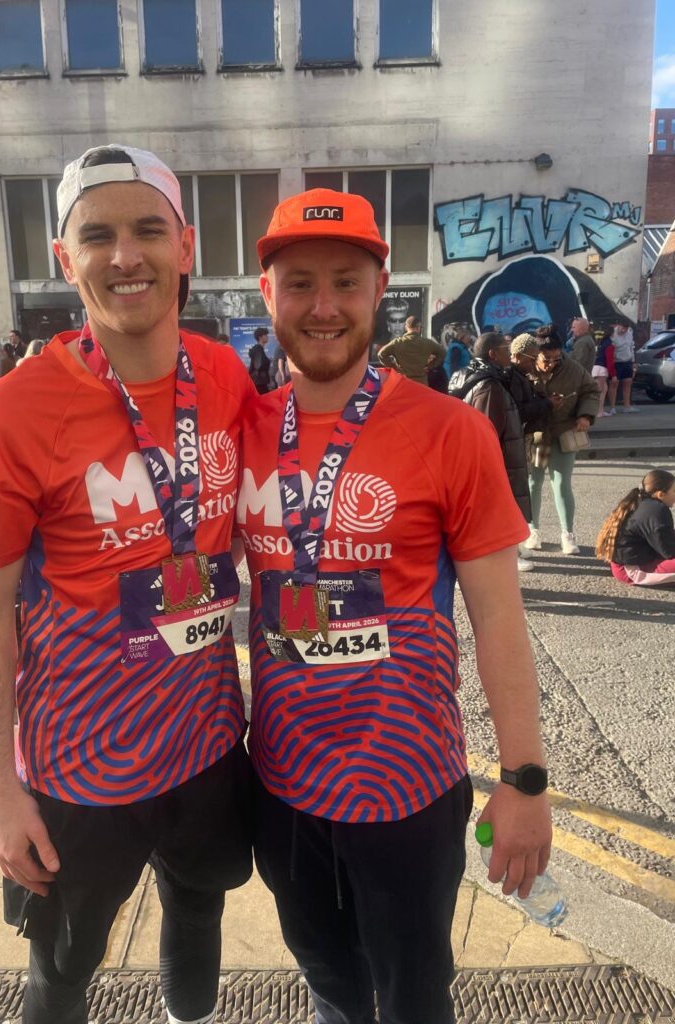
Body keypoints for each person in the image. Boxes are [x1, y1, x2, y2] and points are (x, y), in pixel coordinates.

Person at [0, 144, 254, 1024]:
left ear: (186, 246)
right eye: (99, 235)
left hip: (203, 743)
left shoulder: (225, 376)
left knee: (201, 908)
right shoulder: (9, 409)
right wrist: (0, 792)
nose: (126, 256)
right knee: (64, 964)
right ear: (64, 258)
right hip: (79, 771)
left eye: (148, 230)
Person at [237, 187, 552, 1024]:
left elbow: (498, 619)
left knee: (413, 996)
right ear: (267, 295)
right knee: (328, 982)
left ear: (380, 291)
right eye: (299, 283)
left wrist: (524, 780)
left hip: (406, 786)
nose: (324, 305)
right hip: (282, 784)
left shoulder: (453, 430)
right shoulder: (238, 434)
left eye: (346, 280)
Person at [452, 333, 533, 572]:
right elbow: (489, 432)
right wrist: (492, 468)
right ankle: (504, 558)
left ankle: (506, 554)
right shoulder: (488, 385)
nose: (510, 356)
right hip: (494, 462)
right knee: (495, 513)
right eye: (506, 351)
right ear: (492, 354)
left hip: (479, 460)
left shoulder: (472, 376)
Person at [523, 335, 599, 555]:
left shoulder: (573, 369)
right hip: (537, 435)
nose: (552, 363)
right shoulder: (525, 369)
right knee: (533, 483)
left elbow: (591, 390)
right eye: (546, 358)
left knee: (562, 484)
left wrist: (585, 415)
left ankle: (568, 533)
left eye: (557, 358)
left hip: (564, 433)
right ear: (535, 353)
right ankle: (532, 530)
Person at [596, 470, 675, 586]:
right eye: (674, 491)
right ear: (660, 494)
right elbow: (669, 551)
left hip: (628, 563)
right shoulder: (657, 511)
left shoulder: (641, 500)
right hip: (632, 570)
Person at [377, 314, 446, 387]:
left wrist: (395, 367)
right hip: (421, 384)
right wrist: (430, 366)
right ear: (419, 327)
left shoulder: (397, 342)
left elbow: (381, 354)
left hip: (403, 382)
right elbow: (442, 353)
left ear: (406, 327)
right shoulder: (427, 343)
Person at [608, 322, 638, 413]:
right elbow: (610, 349)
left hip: (627, 361)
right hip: (616, 362)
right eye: (622, 327)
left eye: (626, 328)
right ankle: (612, 407)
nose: (624, 330)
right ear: (618, 325)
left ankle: (627, 406)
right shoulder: (613, 334)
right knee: (614, 383)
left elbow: (631, 347)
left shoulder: (629, 332)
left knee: (628, 382)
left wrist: (633, 361)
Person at [592, 327, 616, 417]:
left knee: (603, 389)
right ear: (612, 334)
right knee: (601, 391)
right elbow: (610, 361)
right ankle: (599, 411)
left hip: (595, 367)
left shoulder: (600, 343)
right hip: (601, 369)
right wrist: (613, 375)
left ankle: (600, 410)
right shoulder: (609, 345)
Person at [247, 326, 272, 393]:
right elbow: (258, 365)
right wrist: (268, 361)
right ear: (260, 337)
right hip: (259, 382)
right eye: (265, 335)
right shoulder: (258, 349)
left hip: (259, 381)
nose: (267, 336)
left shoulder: (259, 349)